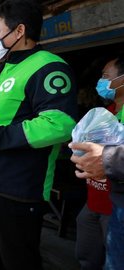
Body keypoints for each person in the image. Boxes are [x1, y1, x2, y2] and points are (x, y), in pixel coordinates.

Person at [0, 1, 78, 269]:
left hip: (16, 190)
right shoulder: (3, 68)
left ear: (19, 30)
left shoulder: (48, 67)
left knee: (17, 260)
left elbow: (58, 124)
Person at [70, 53, 124, 270]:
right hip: (94, 199)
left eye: (105, 76)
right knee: (87, 256)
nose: (101, 81)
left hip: (116, 205)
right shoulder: (106, 113)